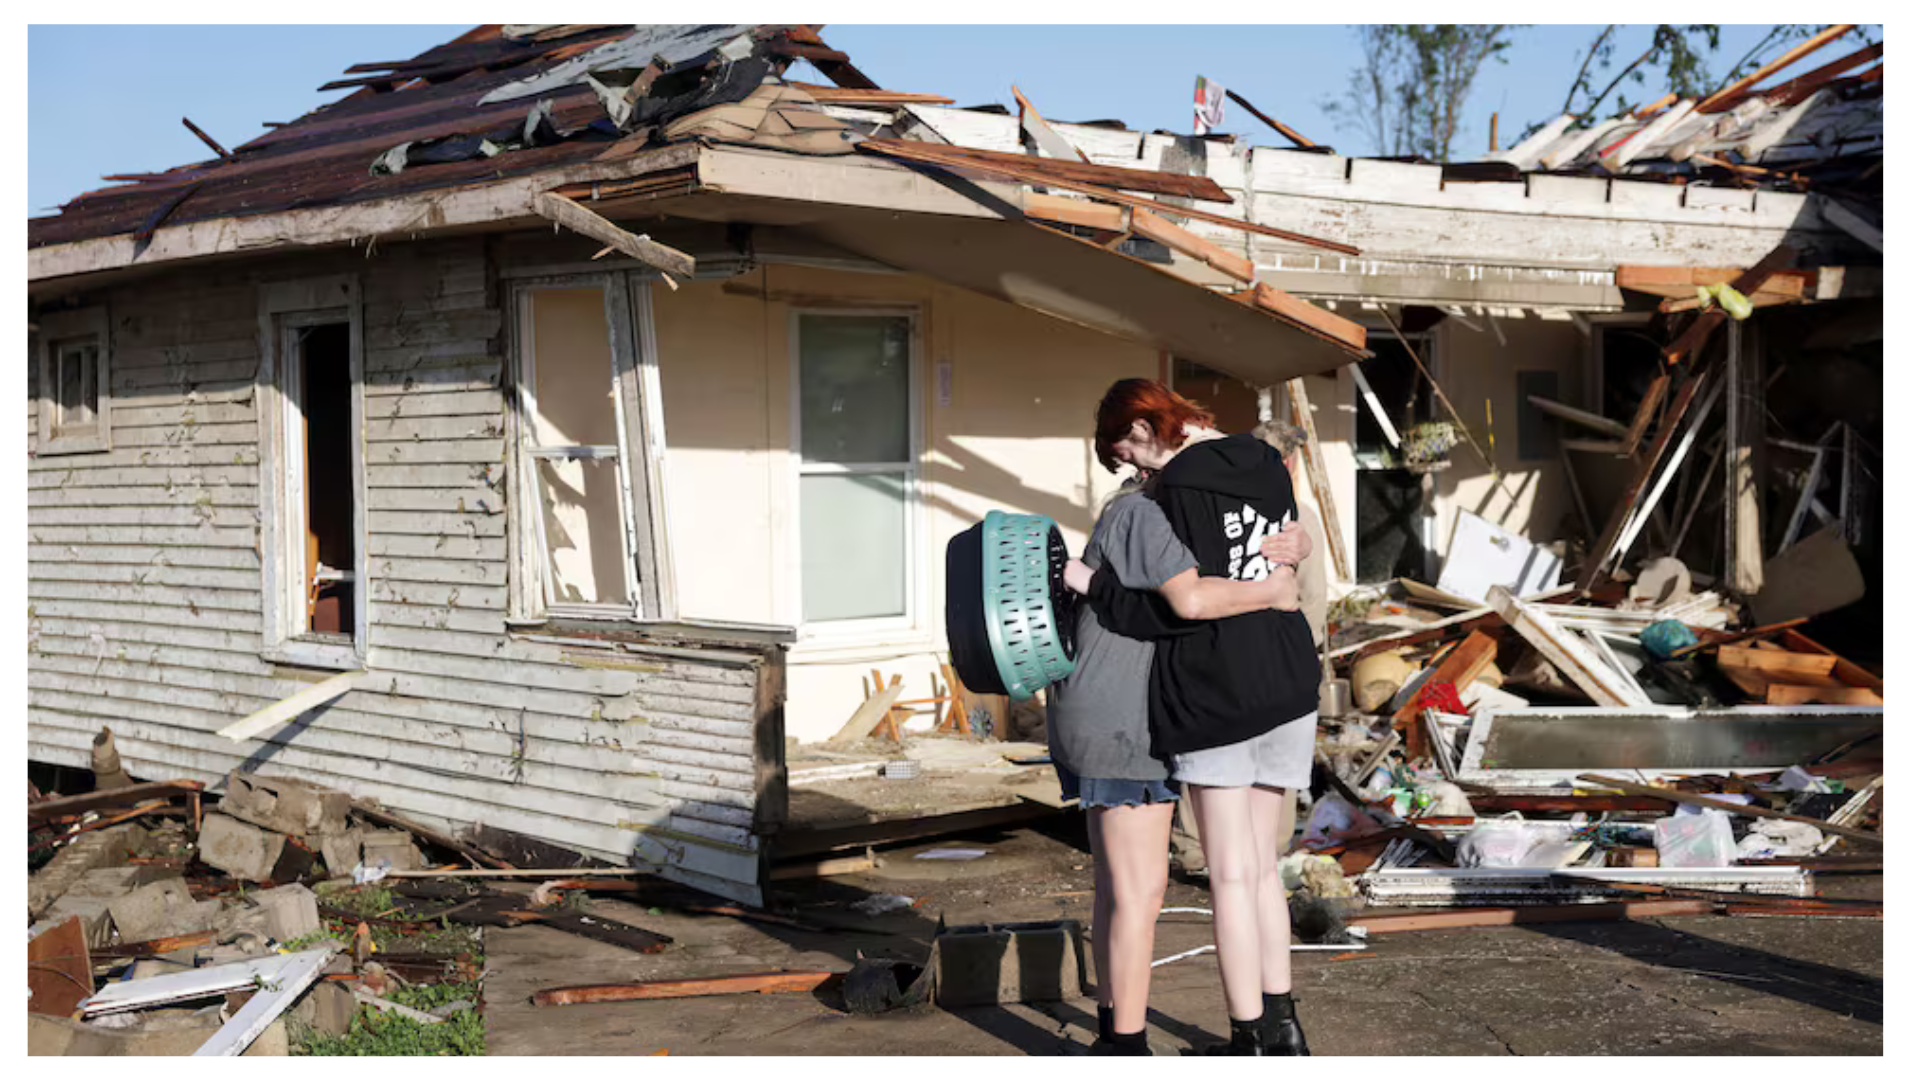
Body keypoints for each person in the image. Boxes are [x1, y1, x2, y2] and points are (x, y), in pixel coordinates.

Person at [1086, 378, 1322, 1056]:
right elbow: (1283, 547)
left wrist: (1093, 585)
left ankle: (1248, 1038)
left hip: (1219, 686)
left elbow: (1181, 602)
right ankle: (1285, 1031)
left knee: (1230, 875)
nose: (1132, 466)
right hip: (1288, 676)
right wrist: (1289, 566)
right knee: (1263, 867)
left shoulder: (1172, 492)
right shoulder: (1267, 461)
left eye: (1127, 449)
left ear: (1146, 425)